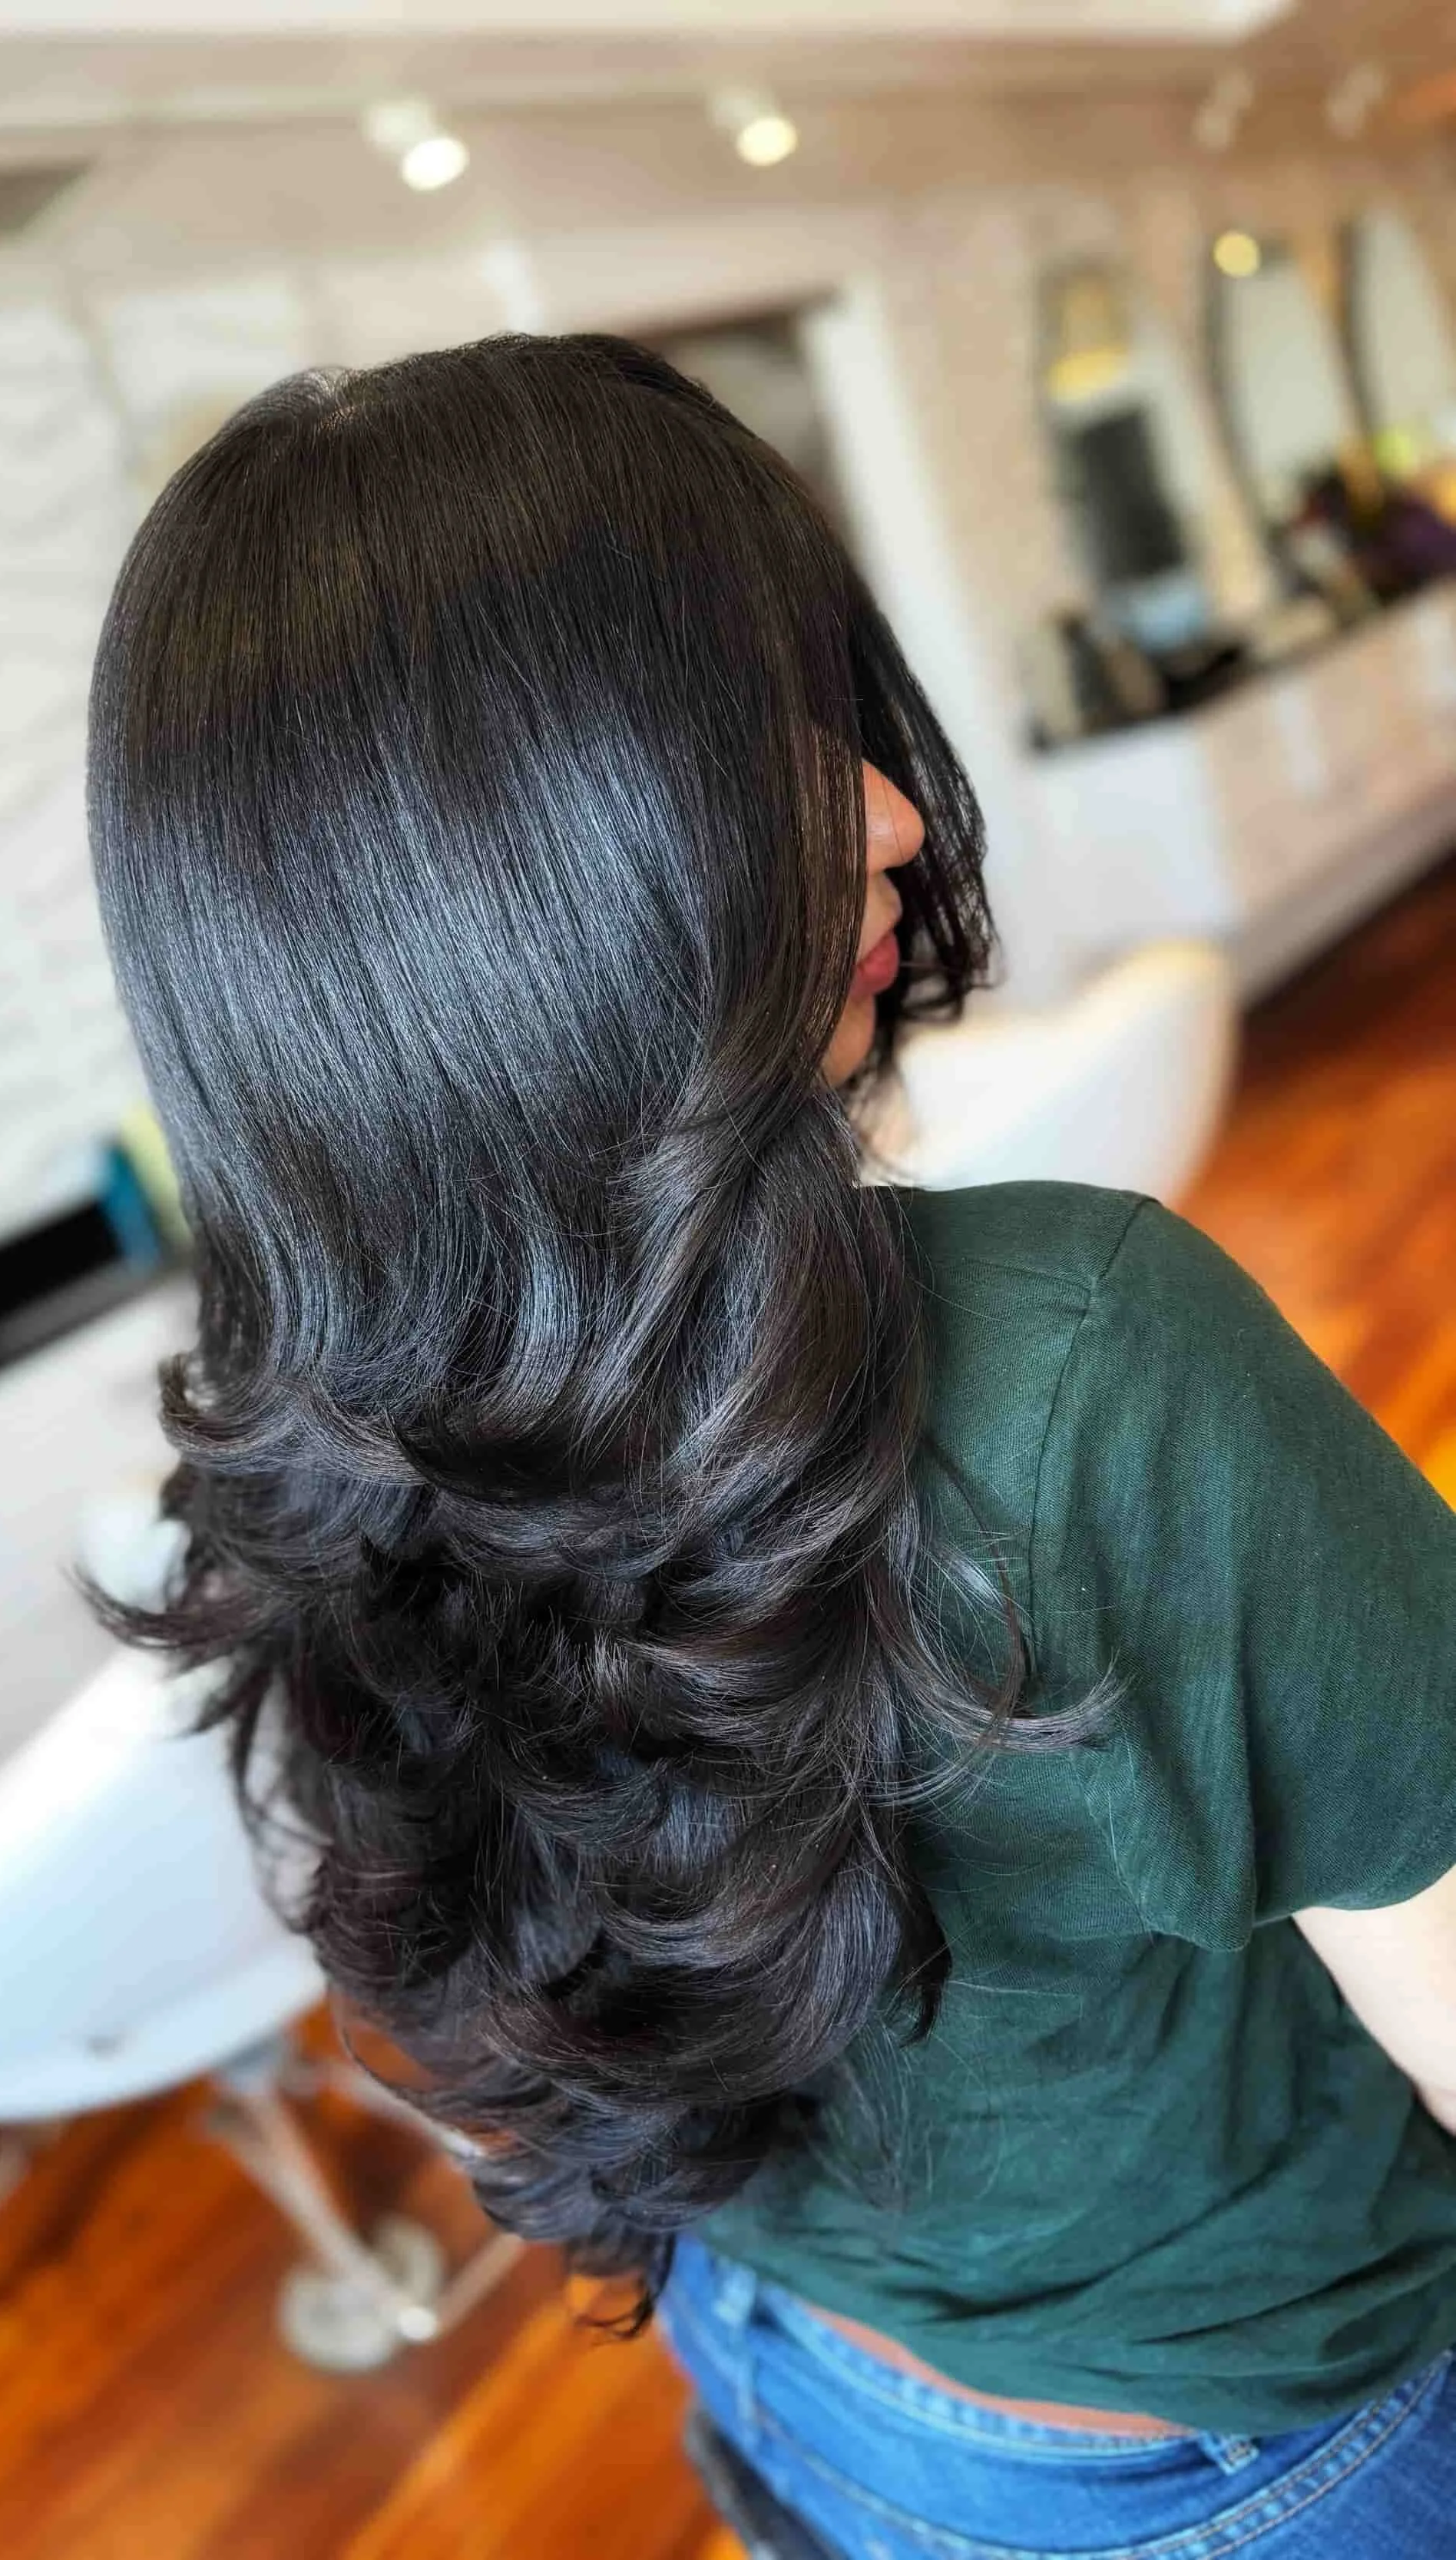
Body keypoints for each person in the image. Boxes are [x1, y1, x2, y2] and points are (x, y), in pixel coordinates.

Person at [86, 333, 1456, 2555]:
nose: (893, 811)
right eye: (748, 753)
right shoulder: (1075, 1363)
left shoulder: (319, 1415)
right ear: (500, 888)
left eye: (831, 711)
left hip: (803, 2381)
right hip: (1261, 2449)